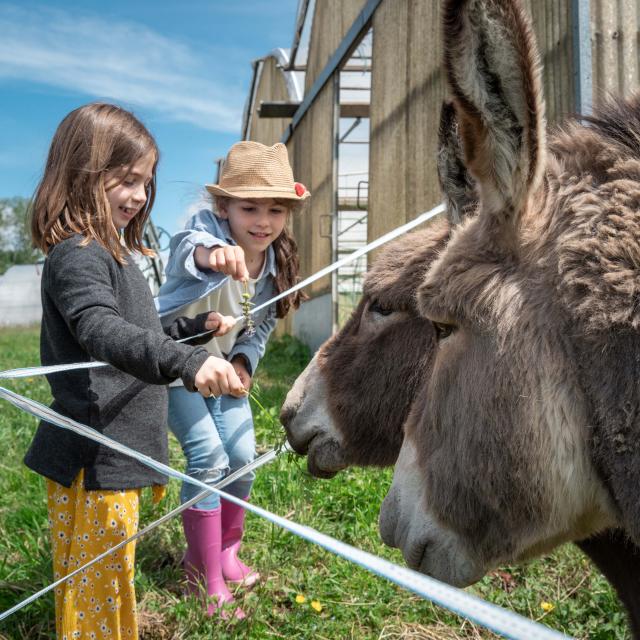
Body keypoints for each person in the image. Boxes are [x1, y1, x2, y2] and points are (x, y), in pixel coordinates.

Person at [24, 102, 243, 640]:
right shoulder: (78, 254)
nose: (140, 196)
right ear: (81, 175)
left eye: (146, 183)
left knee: (107, 579)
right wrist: (190, 364)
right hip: (97, 457)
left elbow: (130, 337)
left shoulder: (112, 254)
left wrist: (190, 331)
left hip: (116, 452)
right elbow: (102, 332)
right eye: (126, 180)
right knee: (96, 585)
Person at [156, 141, 309, 618]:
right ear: (224, 207)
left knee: (242, 456)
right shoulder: (206, 233)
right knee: (206, 455)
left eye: (275, 210)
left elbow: (259, 324)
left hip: (225, 371)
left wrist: (244, 361)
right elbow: (187, 251)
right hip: (175, 365)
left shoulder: (273, 264)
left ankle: (222, 555)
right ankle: (204, 581)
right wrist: (213, 255)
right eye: (249, 208)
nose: (262, 221)